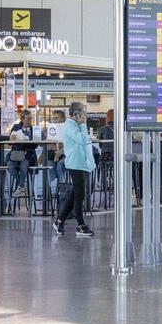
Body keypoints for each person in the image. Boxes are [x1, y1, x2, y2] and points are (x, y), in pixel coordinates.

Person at [54, 102, 96, 238]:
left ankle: (59, 221)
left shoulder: (75, 126)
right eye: (82, 112)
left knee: (74, 195)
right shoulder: (70, 126)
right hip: (75, 164)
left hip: (81, 163)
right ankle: (81, 226)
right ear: (75, 114)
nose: (84, 115)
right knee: (80, 195)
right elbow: (82, 140)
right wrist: (83, 125)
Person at [9, 110, 37, 198]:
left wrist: (28, 147)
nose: (30, 121)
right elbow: (11, 141)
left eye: (31, 119)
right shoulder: (16, 127)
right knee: (10, 166)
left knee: (23, 166)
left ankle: (20, 187)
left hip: (28, 154)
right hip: (16, 153)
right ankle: (22, 183)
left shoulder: (33, 129)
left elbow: (35, 145)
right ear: (22, 119)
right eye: (28, 119)